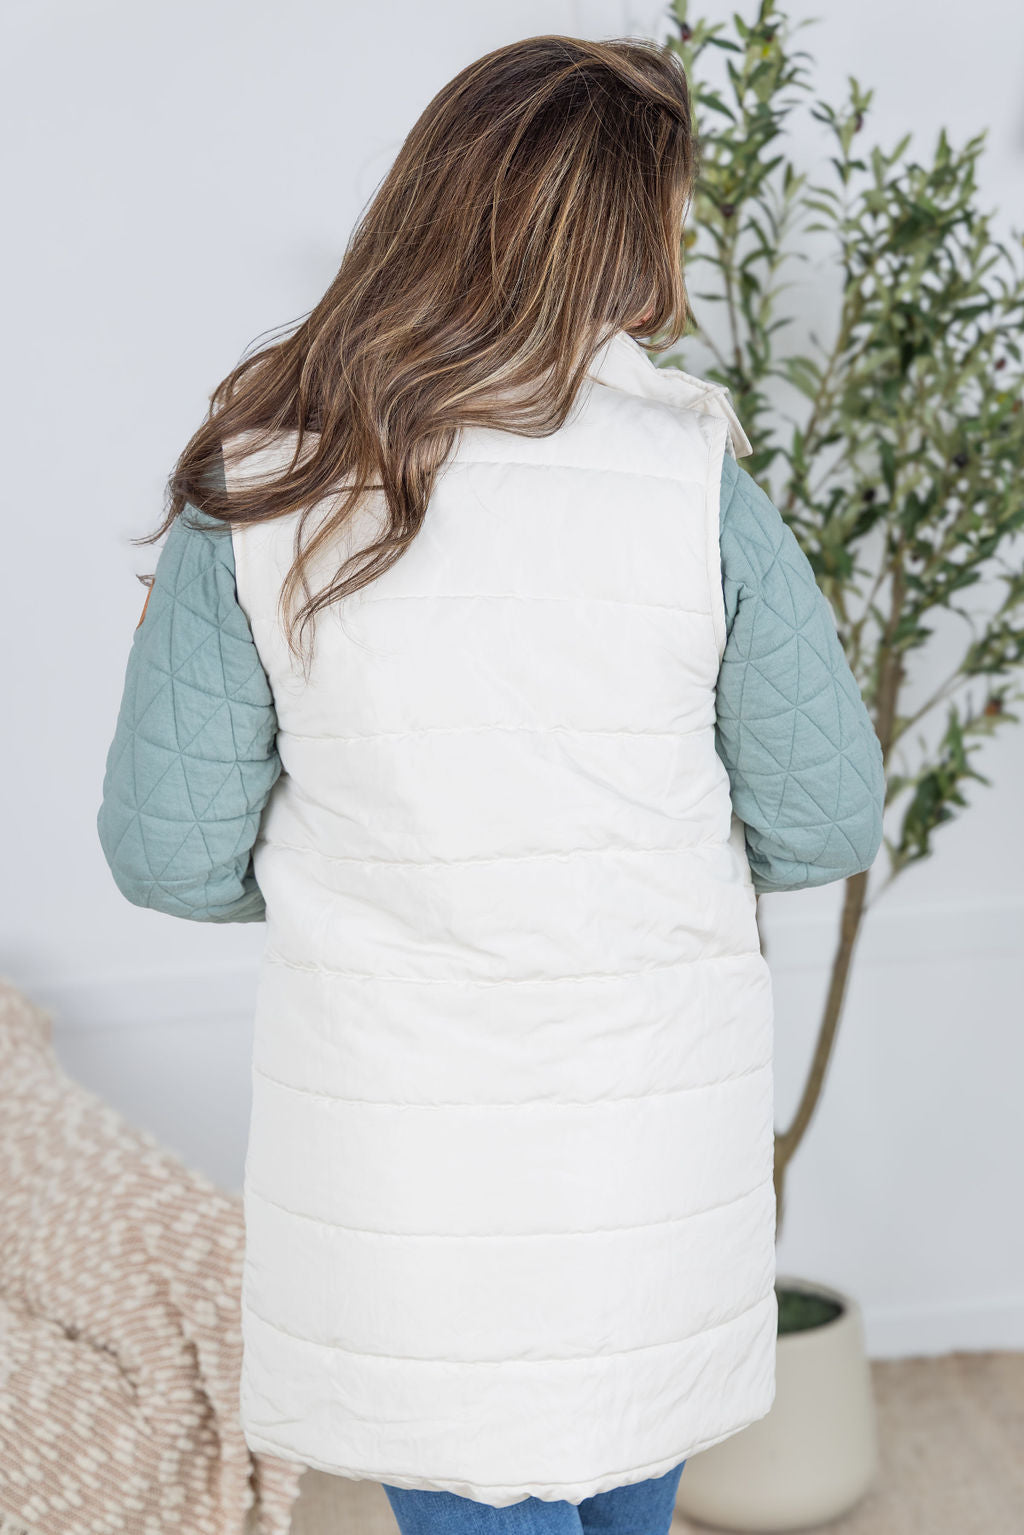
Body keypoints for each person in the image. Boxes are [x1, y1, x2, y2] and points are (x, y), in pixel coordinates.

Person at [96, 33, 884, 1535]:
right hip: (644, 1156)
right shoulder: (691, 481)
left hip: (410, 1175)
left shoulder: (263, 480)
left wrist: (373, 858)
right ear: (628, 248)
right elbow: (827, 816)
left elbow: (169, 855)